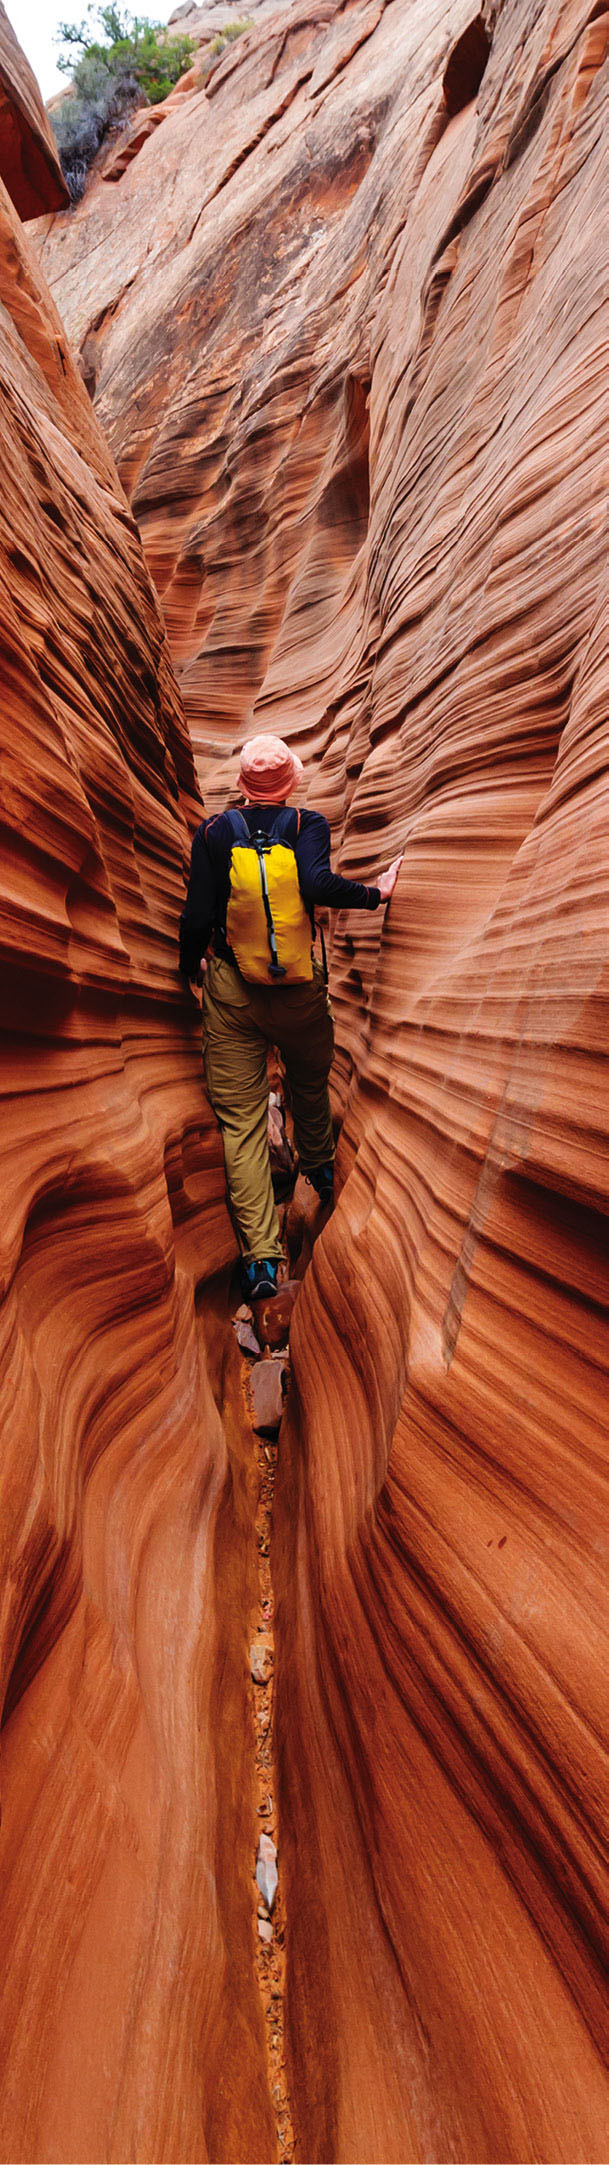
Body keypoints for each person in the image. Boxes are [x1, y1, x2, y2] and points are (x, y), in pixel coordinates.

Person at [179, 733, 402, 1300]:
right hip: (300, 989)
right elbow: (317, 885)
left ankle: (260, 1260)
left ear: (243, 787)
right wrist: (376, 893)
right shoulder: (307, 825)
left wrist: (190, 970)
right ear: (291, 783)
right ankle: (321, 1170)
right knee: (308, 1083)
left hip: (233, 991)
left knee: (243, 1123)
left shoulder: (214, 833)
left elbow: (199, 912)